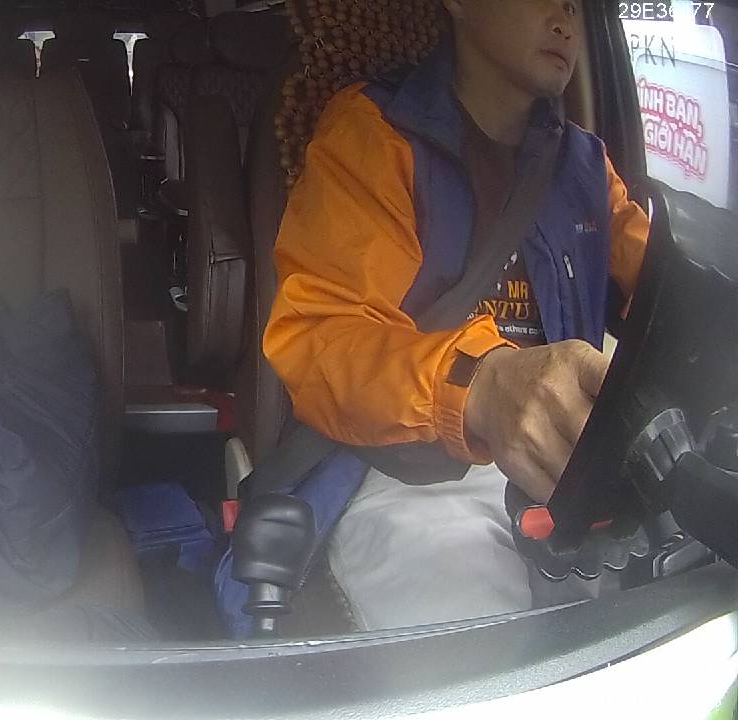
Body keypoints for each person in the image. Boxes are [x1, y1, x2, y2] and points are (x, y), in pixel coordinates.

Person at [263, 0, 650, 630]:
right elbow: (322, 335)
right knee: (474, 634)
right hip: (409, 472)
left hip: (567, 472)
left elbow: (661, 283)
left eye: (576, 5)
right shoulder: (377, 133)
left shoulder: (585, 165)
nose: (566, 20)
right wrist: (480, 386)